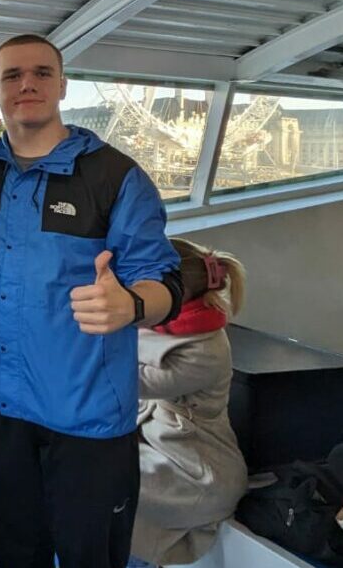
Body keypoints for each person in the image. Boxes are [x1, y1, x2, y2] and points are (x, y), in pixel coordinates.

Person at [0, 34, 183, 568]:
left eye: (41, 73)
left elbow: (166, 281)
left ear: (62, 86)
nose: (27, 84)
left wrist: (131, 306)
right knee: (14, 554)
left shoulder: (116, 178)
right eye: (12, 76)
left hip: (87, 425)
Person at [127, 239, 248, 567]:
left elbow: (125, 383)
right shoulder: (167, 329)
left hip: (195, 470)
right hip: (158, 445)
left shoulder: (204, 351)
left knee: (110, 491)